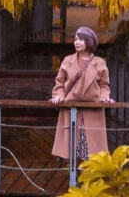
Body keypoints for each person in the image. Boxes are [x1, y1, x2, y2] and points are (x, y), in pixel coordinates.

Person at [49, 26, 115, 162]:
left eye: (80, 40)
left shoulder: (100, 63)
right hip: (71, 110)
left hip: (93, 112)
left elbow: (104, 85)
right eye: (75, 39)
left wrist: (105, 98)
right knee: (72, 150)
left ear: (89, 42)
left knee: (92, 155)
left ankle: (88, 182)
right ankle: (73, 180)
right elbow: (59, 82)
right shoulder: (68, 60)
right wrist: (58, 96)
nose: (76, 42)